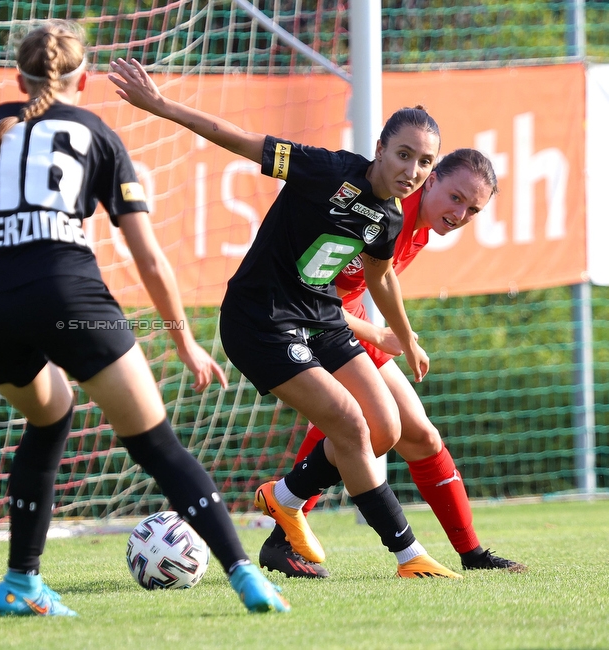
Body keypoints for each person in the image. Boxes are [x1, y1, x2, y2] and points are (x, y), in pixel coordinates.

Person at [0, 20, 288, 616]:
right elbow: (146, 254)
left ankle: (20, 583)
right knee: (156, 445)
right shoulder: (95, 132)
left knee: (50, 417)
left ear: (18, 79)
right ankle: (245, 575)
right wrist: (182, 341)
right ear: (85, 79)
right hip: (69, 303)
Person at [110, 58, 460, 579]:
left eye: (424, 163)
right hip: (261, 317)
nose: (412, 171)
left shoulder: (387, 218)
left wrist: (405, 339)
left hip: (319, 317)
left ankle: (286, 496)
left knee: (384, 429)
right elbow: (239, 138)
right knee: (347, 421)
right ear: (381, 149)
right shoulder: (327, 171)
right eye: (403, 155)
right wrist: (160, 105)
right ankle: (409, 557)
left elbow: (382, 279)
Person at [258, 149, 526, 578]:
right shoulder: (387, 211)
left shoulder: (419, 226)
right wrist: (381, 335)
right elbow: (308, 290)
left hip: (349, 322)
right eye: (456, 198)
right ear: (432, 180)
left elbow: (374, 280)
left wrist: (397, 335)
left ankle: (473, 555)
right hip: (308, 321)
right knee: (363, 429)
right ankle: (282, 537)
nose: (460, 214)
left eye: (472, 210)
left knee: (418, 435)